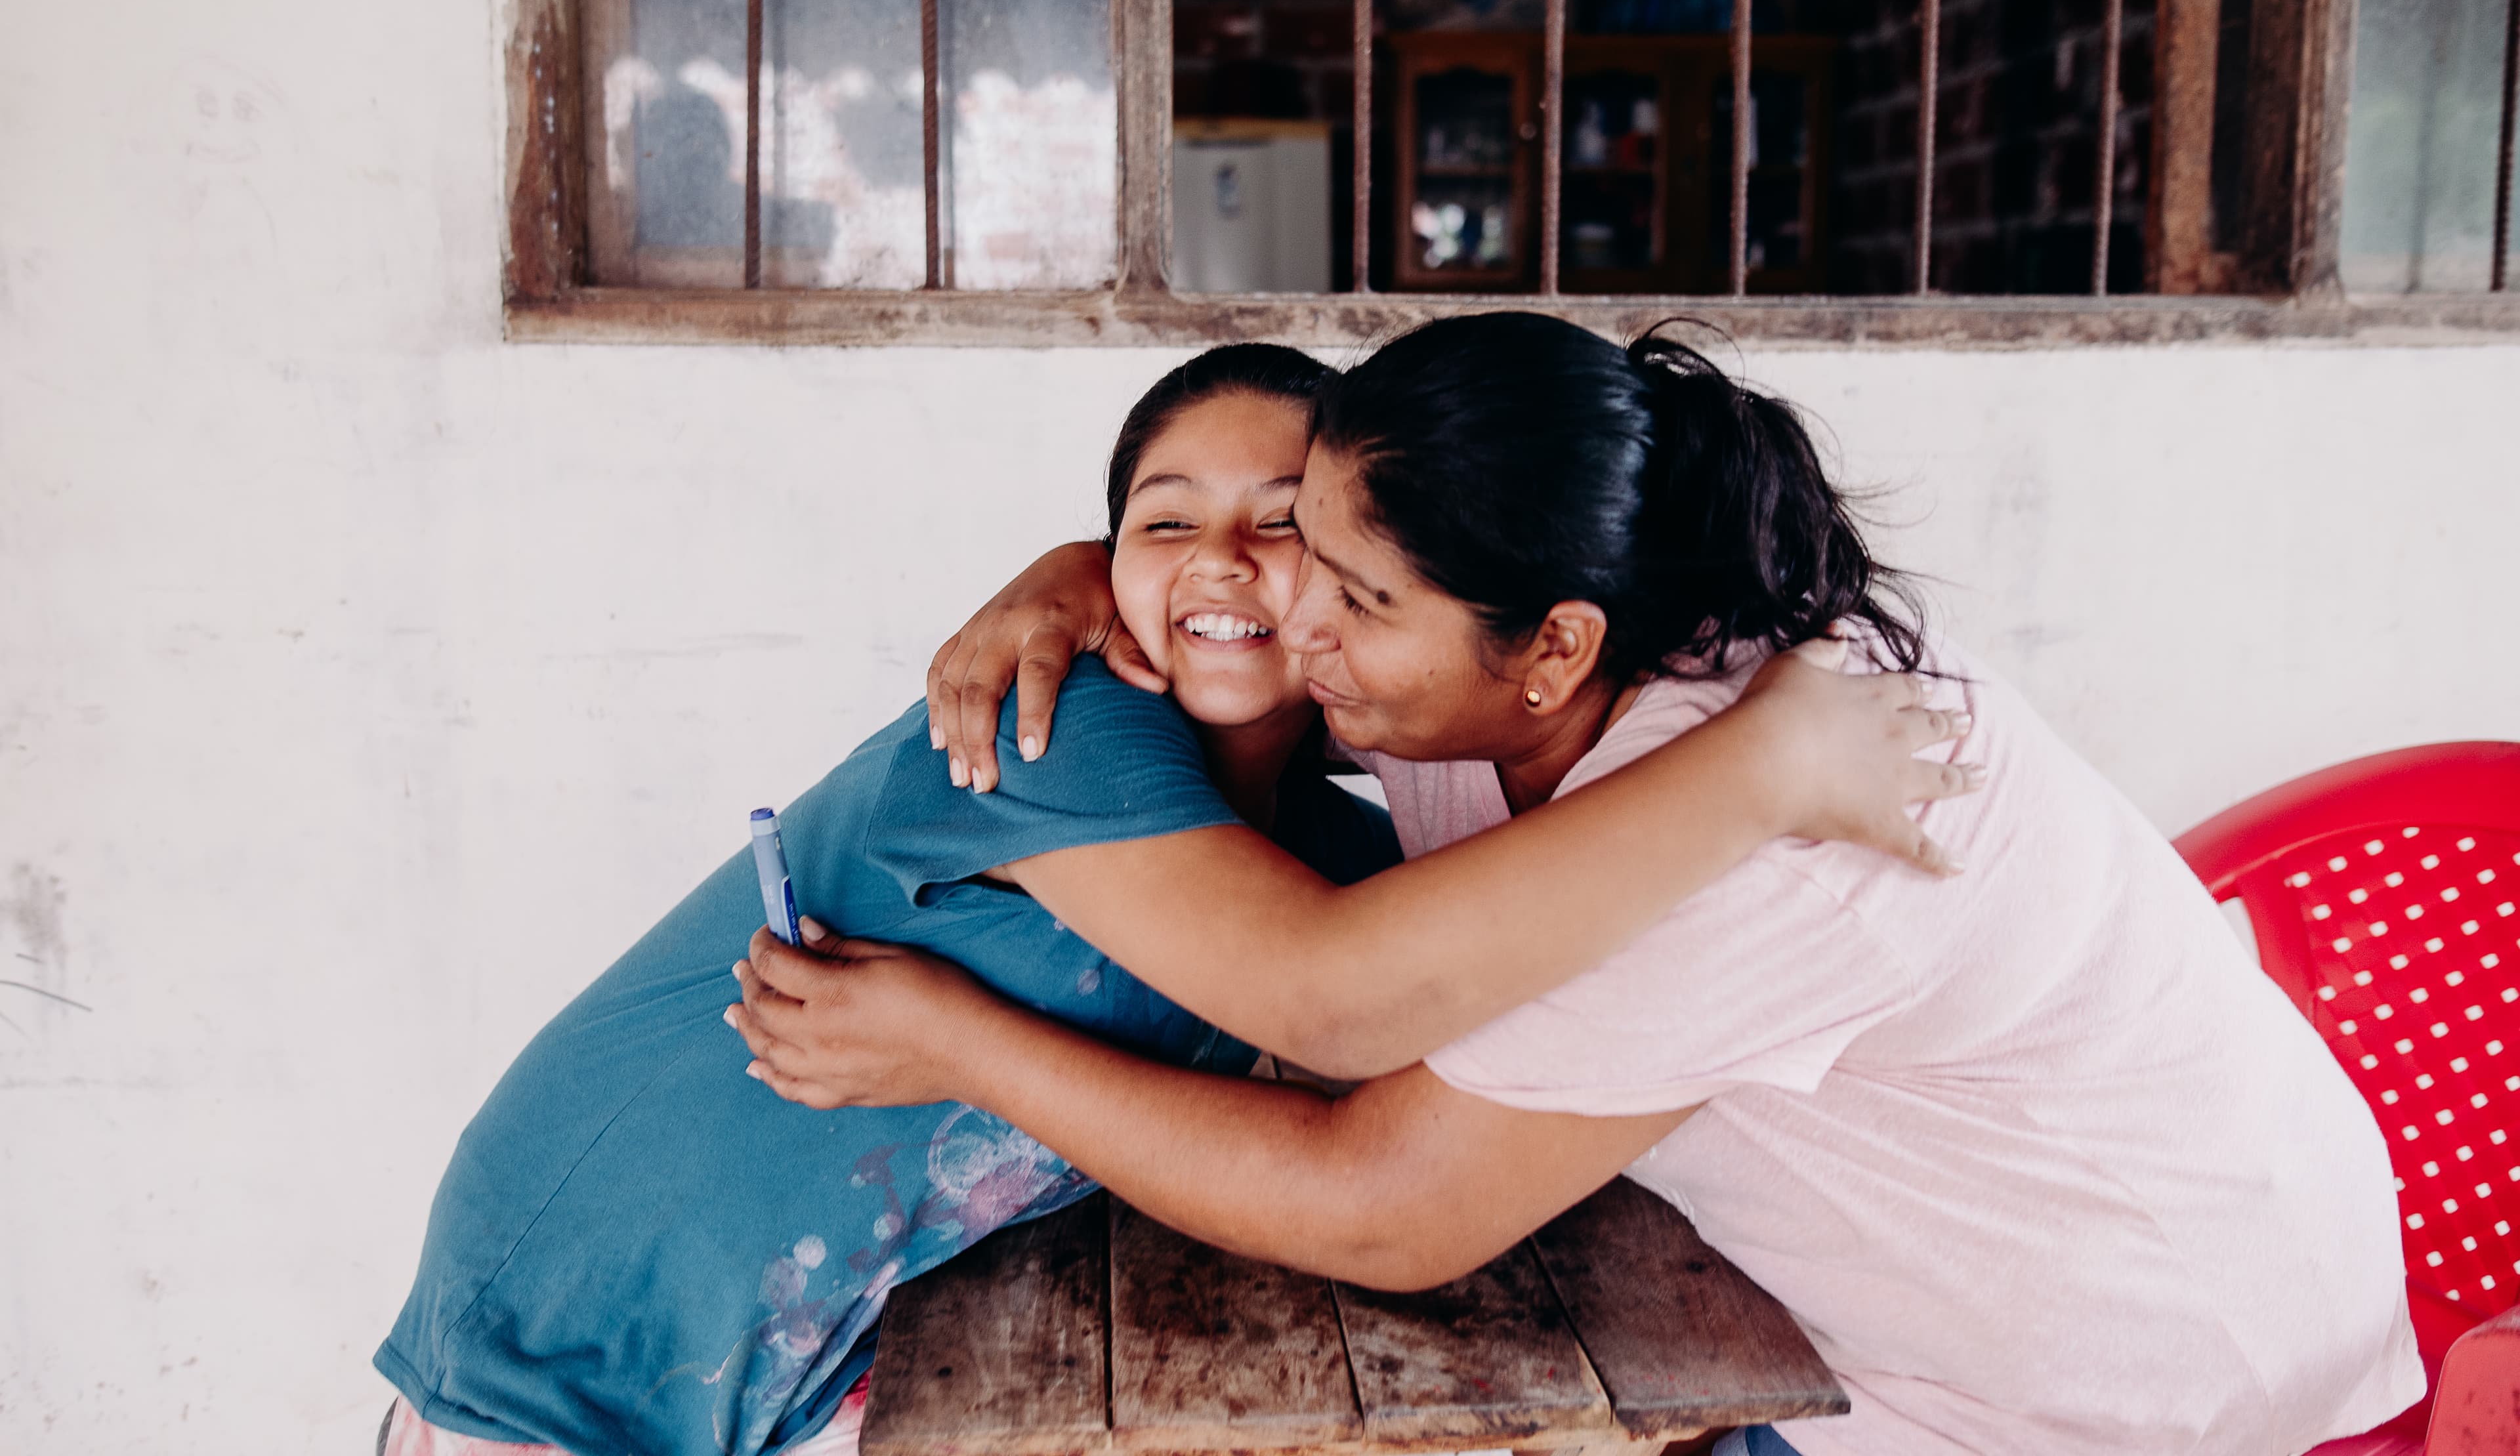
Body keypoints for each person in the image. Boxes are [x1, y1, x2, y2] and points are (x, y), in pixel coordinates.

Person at [735, 314, 2423, 1456]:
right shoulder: (1498, 627)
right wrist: (1087, 572)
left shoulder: (1776, 815)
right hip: (1845, 1323)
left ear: (1553, 650)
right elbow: (1251, 609)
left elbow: (1381, 1199)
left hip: (2133, 1392)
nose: (1295, 613)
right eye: (1304, 546)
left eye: (1353, 592)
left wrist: (956, 1041)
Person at [377, 343, 1971, 1456]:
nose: (1218, 557)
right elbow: (1329, 997)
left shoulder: (1334, 851)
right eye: (1161, 522)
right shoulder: (1047, 729)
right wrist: (1758, 771)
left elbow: (1393, 1028)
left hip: (797, 1367)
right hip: (572, 1334)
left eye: (1283, 525)